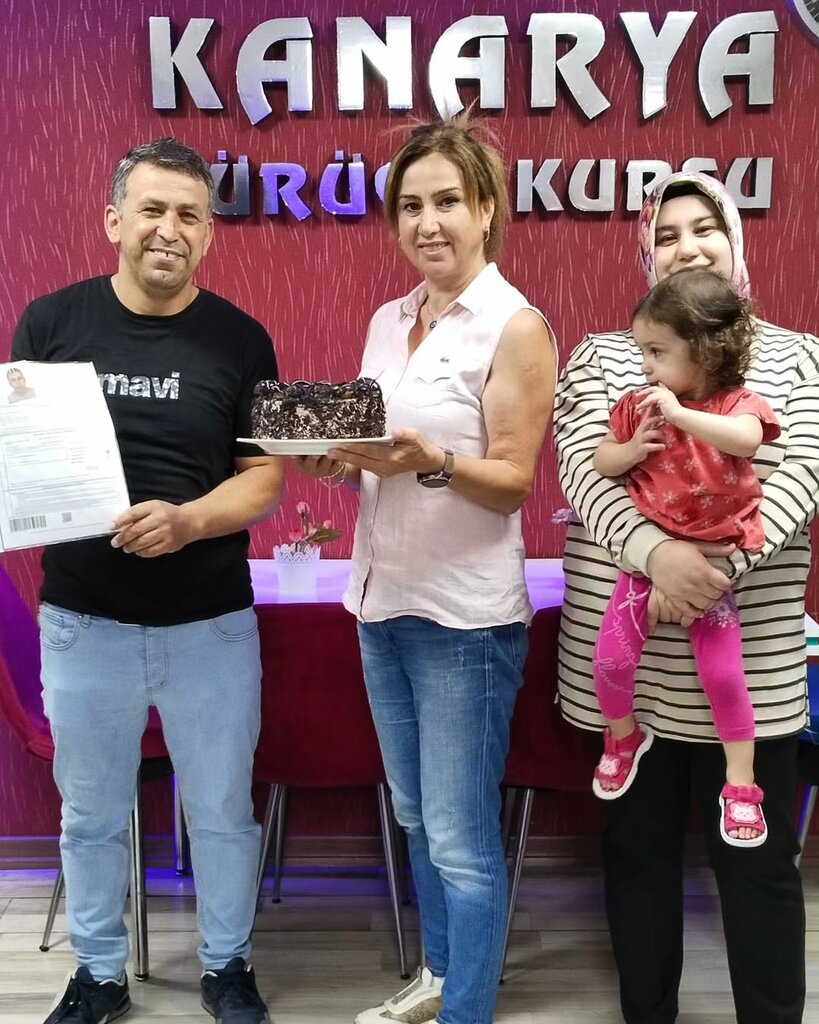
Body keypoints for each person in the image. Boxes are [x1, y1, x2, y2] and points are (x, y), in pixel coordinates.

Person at [11, 138, 283, 1024]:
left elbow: (264, 477)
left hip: (210, 626)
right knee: (90, 816)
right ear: (114, 221)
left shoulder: (240, 339)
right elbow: (26, 458)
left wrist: (189, 520)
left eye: (190, 215)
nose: (170, 230)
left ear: (208, 233)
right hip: (83, 622)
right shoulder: (51, 323)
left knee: (222, 813)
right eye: (153, 210)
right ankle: (98, 975)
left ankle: (228, 968)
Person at [293, 115, 556, 1024]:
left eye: (446, 201)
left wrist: (433, 461)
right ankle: (441, 977)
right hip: (379, 604)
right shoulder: (388, 320)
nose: (427, 222)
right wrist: (337, 462)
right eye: (410, 205)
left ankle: (466, 1010)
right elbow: (383, 454)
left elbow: (512, 482)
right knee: (414, 817)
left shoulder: (515, 326)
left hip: (464, 622)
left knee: (459, 837)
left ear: (484, 209)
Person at [555, 170, 818, 1024]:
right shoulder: (607, 355)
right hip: (631, 672)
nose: (685, 245)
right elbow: (584, 472)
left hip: (752, 661)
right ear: (646, 254)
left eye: (703, 227)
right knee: (637, 859)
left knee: (759, 867)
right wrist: (655, 557)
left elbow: (799, 475)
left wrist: (704, 575)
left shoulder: (799, 356)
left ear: (733, 240)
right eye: (664, 234)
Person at [591, 268, 780, 852]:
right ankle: (622, 737)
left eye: (657, 351)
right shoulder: (637, 406)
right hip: (646, 561)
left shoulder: (737, 403)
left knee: (723, 675)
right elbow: (599, 460)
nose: (645, 366)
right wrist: (629, 450)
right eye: (641, 351)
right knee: (610, 659)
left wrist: (679, 415)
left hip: (716, 565)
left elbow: (747, 440)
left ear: (705, 350)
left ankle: (742, 784)